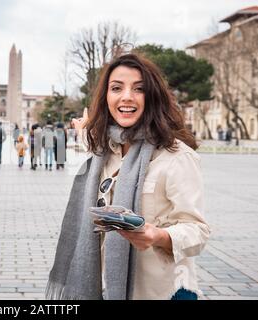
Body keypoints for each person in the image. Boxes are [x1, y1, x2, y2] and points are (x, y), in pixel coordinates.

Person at [46, 53, 210, 300]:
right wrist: (84, 128)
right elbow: (90, 138)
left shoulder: (176, 156)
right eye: (116, 88)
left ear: (152, 97)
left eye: (139, 89)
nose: (126, 97)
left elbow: (198, 231)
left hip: (162, 292)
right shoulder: (105, 150)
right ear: (106, 98)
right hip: (106, 290)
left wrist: (158, 236)